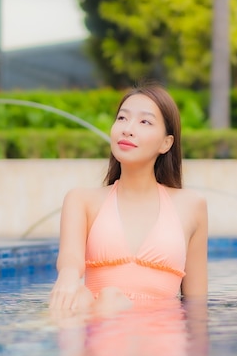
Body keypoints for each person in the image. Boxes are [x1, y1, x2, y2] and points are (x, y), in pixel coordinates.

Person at [49, 83, 208, 314]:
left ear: (166, 143)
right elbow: (70, 260)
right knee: (87, 298)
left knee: (110, 299)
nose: (127, 129)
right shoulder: (82, 200)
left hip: (159, 340)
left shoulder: (191, 206)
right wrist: (67, 278)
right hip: (99, 330)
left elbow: (196, 304)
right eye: (122, 118)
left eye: (145, 122)